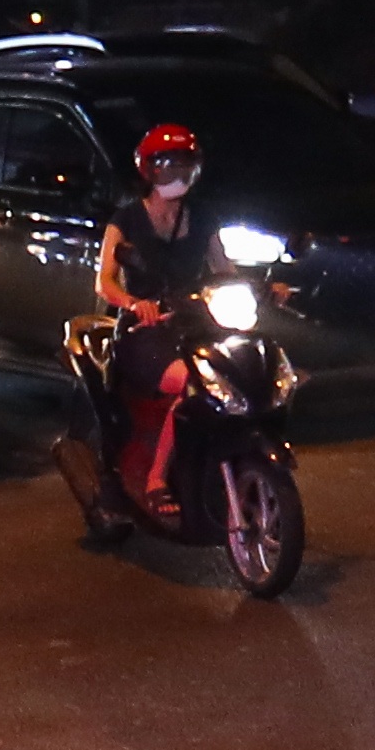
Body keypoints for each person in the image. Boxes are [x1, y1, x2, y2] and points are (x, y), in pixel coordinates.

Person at [89, 123, 220, 487]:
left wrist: (266, 287)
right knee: (192, 383)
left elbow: (224, 268)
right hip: (144, 328)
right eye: (169, 166)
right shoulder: (126, 219)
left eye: (186, 166)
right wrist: (134, 304)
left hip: (193, 321)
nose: (179, 175)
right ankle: (156, 476)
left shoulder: (204, 216)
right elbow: (105, 282)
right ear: (148, 170)